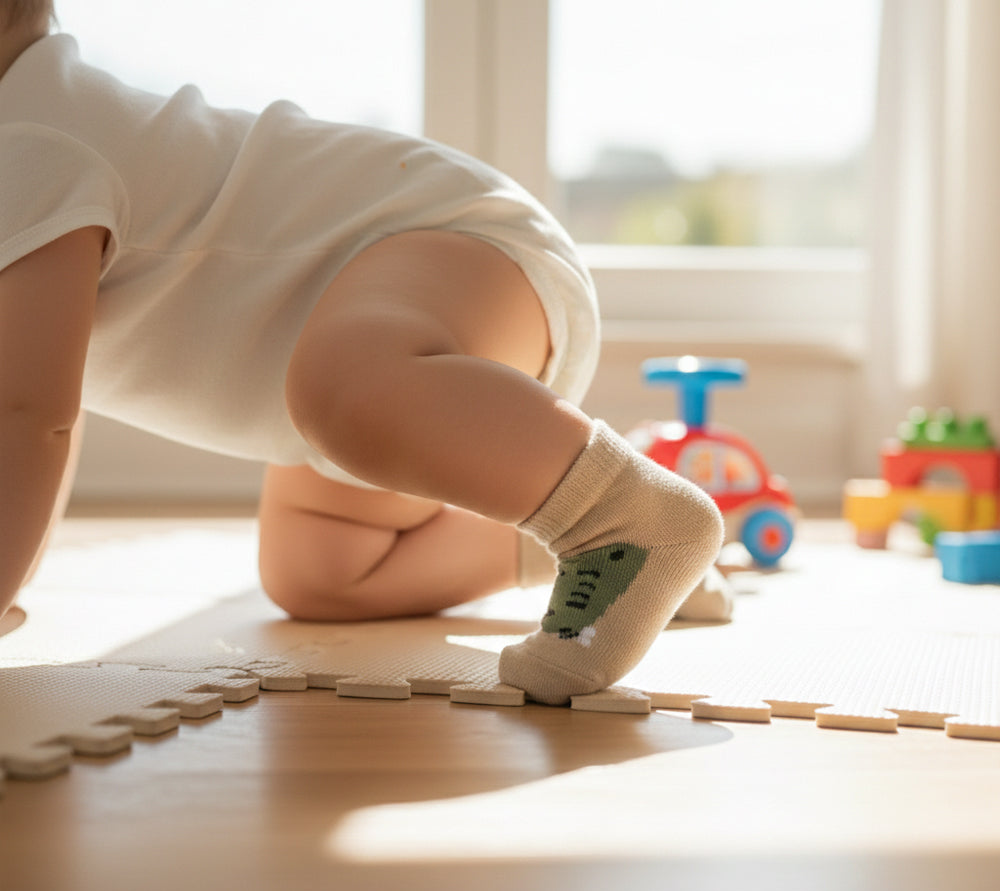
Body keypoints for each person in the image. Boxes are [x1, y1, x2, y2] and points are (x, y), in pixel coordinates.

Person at [0, 0, 724, 705]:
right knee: (318, 572)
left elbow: (27, 417)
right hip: (359, 344)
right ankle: (618, 553)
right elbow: (42, 393)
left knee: (347, 389)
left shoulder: (31, 140)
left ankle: (620, 516)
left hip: (463, 246)